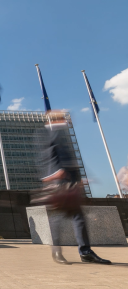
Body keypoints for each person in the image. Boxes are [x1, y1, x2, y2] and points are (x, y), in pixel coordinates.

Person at [39, 111, 111, 265]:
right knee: (57, 218)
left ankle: (85, 252)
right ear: (55, 120)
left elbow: (70, 161)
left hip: (70, 183)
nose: (66, 121)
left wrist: (79, 179)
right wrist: (52, 175)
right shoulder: (48, 134)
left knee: (78, 218)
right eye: (63, 118)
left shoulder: (61, 136)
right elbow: (45, 159)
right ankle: (57, 251)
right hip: (58, 184)